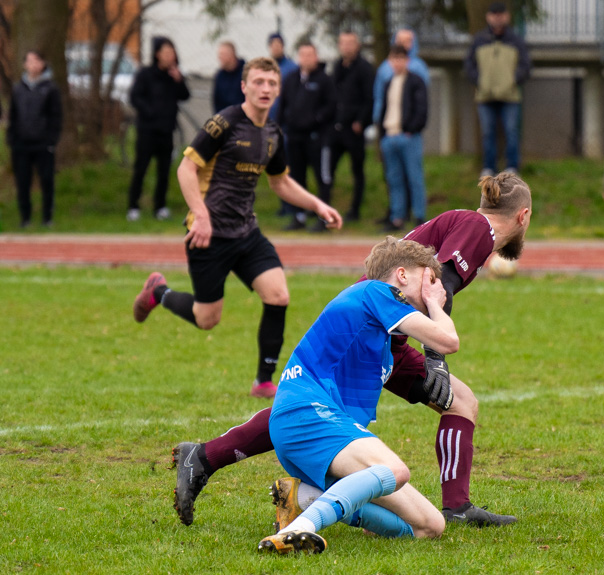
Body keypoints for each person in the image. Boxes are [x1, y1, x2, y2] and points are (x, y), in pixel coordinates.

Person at [171, 172, 532, 529]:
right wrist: (435, 358)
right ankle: (213, 461)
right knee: (316, 409)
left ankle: (457, 507)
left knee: (461, 402)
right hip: (370, 328)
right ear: (523, 216)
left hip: (391, 338)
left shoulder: (463, 224)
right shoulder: (478, 228)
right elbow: (441, 287)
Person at [131, 57, 343, 399]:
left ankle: (263, 381)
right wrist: (200, 214)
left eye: (272, 83)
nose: (265, 89)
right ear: (244, 86)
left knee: (278, 295)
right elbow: (186, 169)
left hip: (246, 233)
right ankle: (159, 293)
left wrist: (318, 205)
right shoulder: (224, 123)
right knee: (206, 319)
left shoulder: (273, 133)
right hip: (209, 235)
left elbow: (281, 182)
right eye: (258, 82)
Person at [253, 237, 457, 554]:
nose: (435, 289)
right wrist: (435, 304)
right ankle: (299, 529)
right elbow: (447, 341)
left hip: (318, 429)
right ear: (402, 276)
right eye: (428, 280)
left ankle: (303, 498)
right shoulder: (377, 291)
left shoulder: (378, 337)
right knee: (395, 471)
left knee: (430, 526)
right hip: (306, 413)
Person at [126, 36, 190, 222]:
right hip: (147, 131)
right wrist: (150, 112)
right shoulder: (145, 74)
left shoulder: (174, 76)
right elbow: (134, 97)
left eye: (172, 52)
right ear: (157, 54)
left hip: (166, 131)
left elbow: (185, 95)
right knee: (141, 169)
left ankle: (160, 206)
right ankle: (133, 206)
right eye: (166, 52)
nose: (170, 56)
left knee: (164, 171)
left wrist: (179, 80)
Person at [464, 1, 531, 178]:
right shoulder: (479, 40)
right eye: (494, 15)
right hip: (485, 95)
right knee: (488, 132)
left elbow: (525, 66)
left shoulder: (516, 40)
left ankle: (512, 167)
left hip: (509, 96)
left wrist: (512, 80)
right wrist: (479, 81)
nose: (497, 18)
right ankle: (489, 167)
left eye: (501, 14)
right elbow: (469, 64)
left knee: (511, 131)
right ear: (488, 17)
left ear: (507, 16)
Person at [277, 42, 337, 232]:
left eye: (310, 55)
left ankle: (324, 217)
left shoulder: (324, 80)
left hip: (317, 138)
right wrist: (280, 127)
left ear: (316, 56)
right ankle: (299, 215)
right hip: (295, 137)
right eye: (302, 55)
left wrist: (316, 119)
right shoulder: (291, 79)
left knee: (322, 177)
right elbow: (283, 105)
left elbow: (331, 106)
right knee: (296, 177)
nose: (306, 59)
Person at [7, 51, 62, 229]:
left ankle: (47, 218)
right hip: (21, 144)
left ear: (43, 64)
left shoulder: (51, 89)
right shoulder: (18, 89)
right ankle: (25, 218)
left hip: (43, 143)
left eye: (37, 61)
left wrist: (51, 140)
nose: (33, 65)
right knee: (23, 181)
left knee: (47, 180)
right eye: (29, 61)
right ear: (24, 65)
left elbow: (56, 117)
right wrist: (12, 138)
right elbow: (13, 116)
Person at [379, 45, 428, 231]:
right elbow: (384, 109)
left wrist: (411, 129)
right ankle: (397, 217)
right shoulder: (388, 82)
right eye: (394, 59)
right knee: (394, 179)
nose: (397, 63)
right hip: (389, 135)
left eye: (401, 58)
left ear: (407, 61)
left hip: (408, 137)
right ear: (390, 61)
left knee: (415, 177)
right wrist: (383, 135)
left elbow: (422, 109)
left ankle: (419, 217)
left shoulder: (416, 81)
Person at [331, 31, 375, 222]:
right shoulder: (337, 67)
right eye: (343, 43)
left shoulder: (365, 68)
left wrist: (361, 122)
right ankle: (325, 211)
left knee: (357, 171)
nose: (346, 47)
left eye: (350, 43)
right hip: (336, 129)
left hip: (354, 130)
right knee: (327, 170)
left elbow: (369, 99)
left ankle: (355, 210)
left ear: (357, 45)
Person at [266, 32, 298, 123]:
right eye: (273, 45)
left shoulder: (292, 68)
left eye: (278, 44)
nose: (276, 47)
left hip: (286, 115)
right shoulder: (264, 66)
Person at [212, 42, 245, 113]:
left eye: (222, 54)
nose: (219, 57)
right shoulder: (219, 76)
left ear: (231, 55)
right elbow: (216, 101)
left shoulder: (245, 73)